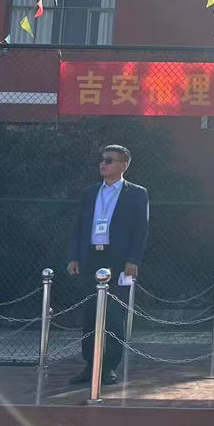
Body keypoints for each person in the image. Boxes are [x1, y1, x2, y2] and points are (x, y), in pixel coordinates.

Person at [67, 145, 149, 385]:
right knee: (90, 313)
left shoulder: (136, 193)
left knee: (113, 315)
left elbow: (141, 230)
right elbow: (78, 226)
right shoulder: (90, 193)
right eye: (102, 160)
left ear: (124, 165)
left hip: (118, 260)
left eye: (109, 160)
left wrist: (133, 260)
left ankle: (109, 367)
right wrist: (74, 257)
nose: (103, 164)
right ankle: (90, 366)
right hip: (91, 257)